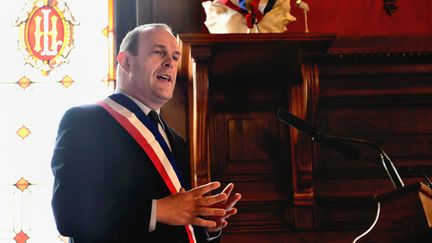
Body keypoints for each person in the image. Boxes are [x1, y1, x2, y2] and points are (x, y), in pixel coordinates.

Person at [51, 23, 241, 243]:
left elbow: (176, 221)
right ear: (126, 61)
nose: (170, 63)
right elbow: (70, 215)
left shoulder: (176, 140)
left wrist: (207, 225)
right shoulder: (85, 121)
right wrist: (157, 211)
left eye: (175, 56)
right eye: (158, 52)